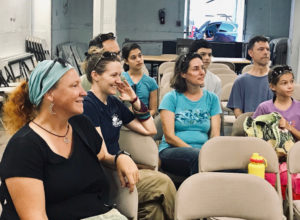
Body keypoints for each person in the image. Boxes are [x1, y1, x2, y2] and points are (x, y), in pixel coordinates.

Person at [0, 59, 139, 220]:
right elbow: (35, 216)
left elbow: (103, 156)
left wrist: (121, 158)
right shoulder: (23, 148)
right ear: (49, 94)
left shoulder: (81, 125)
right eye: (74, 86)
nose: (84, 92)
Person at [82, 49, 176, 220]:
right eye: (113, 75)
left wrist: (134, 99)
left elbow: (150, 130)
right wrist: (122, 160)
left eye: (120, 75)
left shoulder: (114, 103)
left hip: (122, 167)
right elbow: (102, 155)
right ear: (95, 75)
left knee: (153, 209)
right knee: (164, 183)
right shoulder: (88, 105)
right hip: (109, 172)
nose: (119, 81)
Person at [159, 53, 222, 177]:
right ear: (183, 74)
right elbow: (169, 137)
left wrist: (207, 153)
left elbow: (215, 135)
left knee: (234, 166)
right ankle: (198, 194)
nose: (202, 72)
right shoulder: (171, 98)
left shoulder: (212, 99)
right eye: (195, 69)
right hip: (171, 151)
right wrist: (197, 152)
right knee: (196, 157)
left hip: (203, 153)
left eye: (202, 68)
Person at [227, 35, 273, 118]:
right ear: (251, 53)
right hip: (248, 127)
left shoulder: (277, 79)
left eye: (268, 49)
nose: (266, 52)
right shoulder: (241, 81)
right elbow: (238, 111)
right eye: (261, 49)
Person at [252, 65, 300, 141]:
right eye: (284, 83)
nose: (290, 86)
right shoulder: (264, 108)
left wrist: (289, 127)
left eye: (291, 81)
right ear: (272, 86)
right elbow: (253, 134)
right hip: (269, 151)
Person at [122, 43, 158, 116]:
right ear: (126, 61)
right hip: (125, 122)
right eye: (133, 57)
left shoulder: (151, 82)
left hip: (144, 120)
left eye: (140, 55)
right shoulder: (121, 78)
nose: (138, 60)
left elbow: (153, 109)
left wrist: (144, 118)